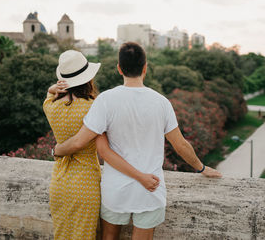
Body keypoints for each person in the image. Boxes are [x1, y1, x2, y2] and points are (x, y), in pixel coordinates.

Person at [54, 42, 222, 240]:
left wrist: (56, 150)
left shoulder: (105, 100)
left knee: (109, 237)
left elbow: (78, 143)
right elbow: (180, 145)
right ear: (145, 68)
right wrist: (201, 168)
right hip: (150, 189)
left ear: (119, 68)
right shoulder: (161, 102)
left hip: (115, 190)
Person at [43, 50, 160, 240]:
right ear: (88, 77)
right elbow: (104, 147)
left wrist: (55, 88)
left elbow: (49, 93)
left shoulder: (49, 105)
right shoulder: (93, 106)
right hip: (85, 182)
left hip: (59, 183)